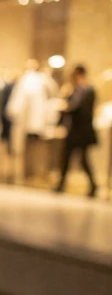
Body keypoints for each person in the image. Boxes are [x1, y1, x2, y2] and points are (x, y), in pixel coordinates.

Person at [57, 64, 99, 197]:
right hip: (75, 130)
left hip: (82, 131)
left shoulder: (88, 90)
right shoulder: (76, 90)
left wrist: (68, 108)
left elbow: (82, 110)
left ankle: (93, 186)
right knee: (68, 157)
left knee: (82, 160)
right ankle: (61, 184)